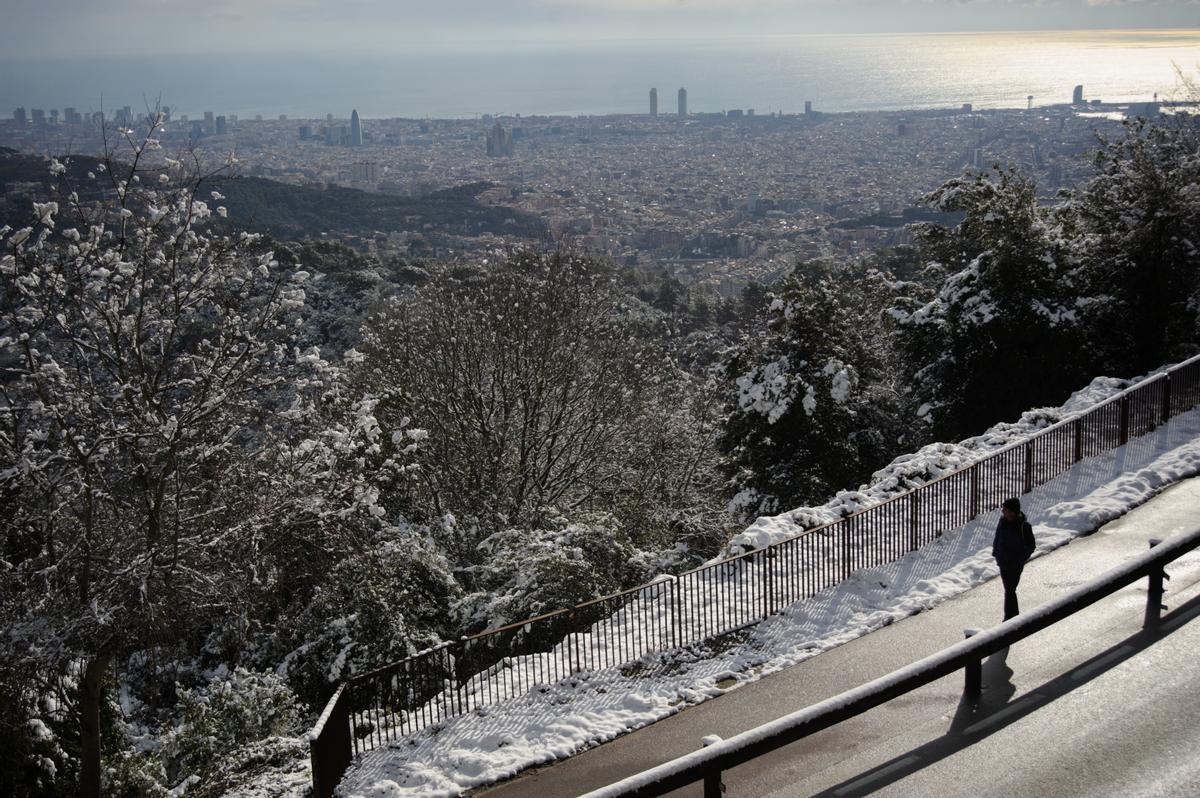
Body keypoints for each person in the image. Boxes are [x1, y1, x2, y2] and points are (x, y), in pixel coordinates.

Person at [992, 497, 1036, 621]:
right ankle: (1012, 617)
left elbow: (1031, 546)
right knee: (1009, 590)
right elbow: (998, 538)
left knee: (1010, 589)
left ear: (1012, 511)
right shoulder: (1002, 522)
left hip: (1015, 565)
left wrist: (1019, 560)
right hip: (1003, 562)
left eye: (1005, 509)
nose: (1002, 511)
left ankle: (1010, 618)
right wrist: (996, 554)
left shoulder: (1024, 526)